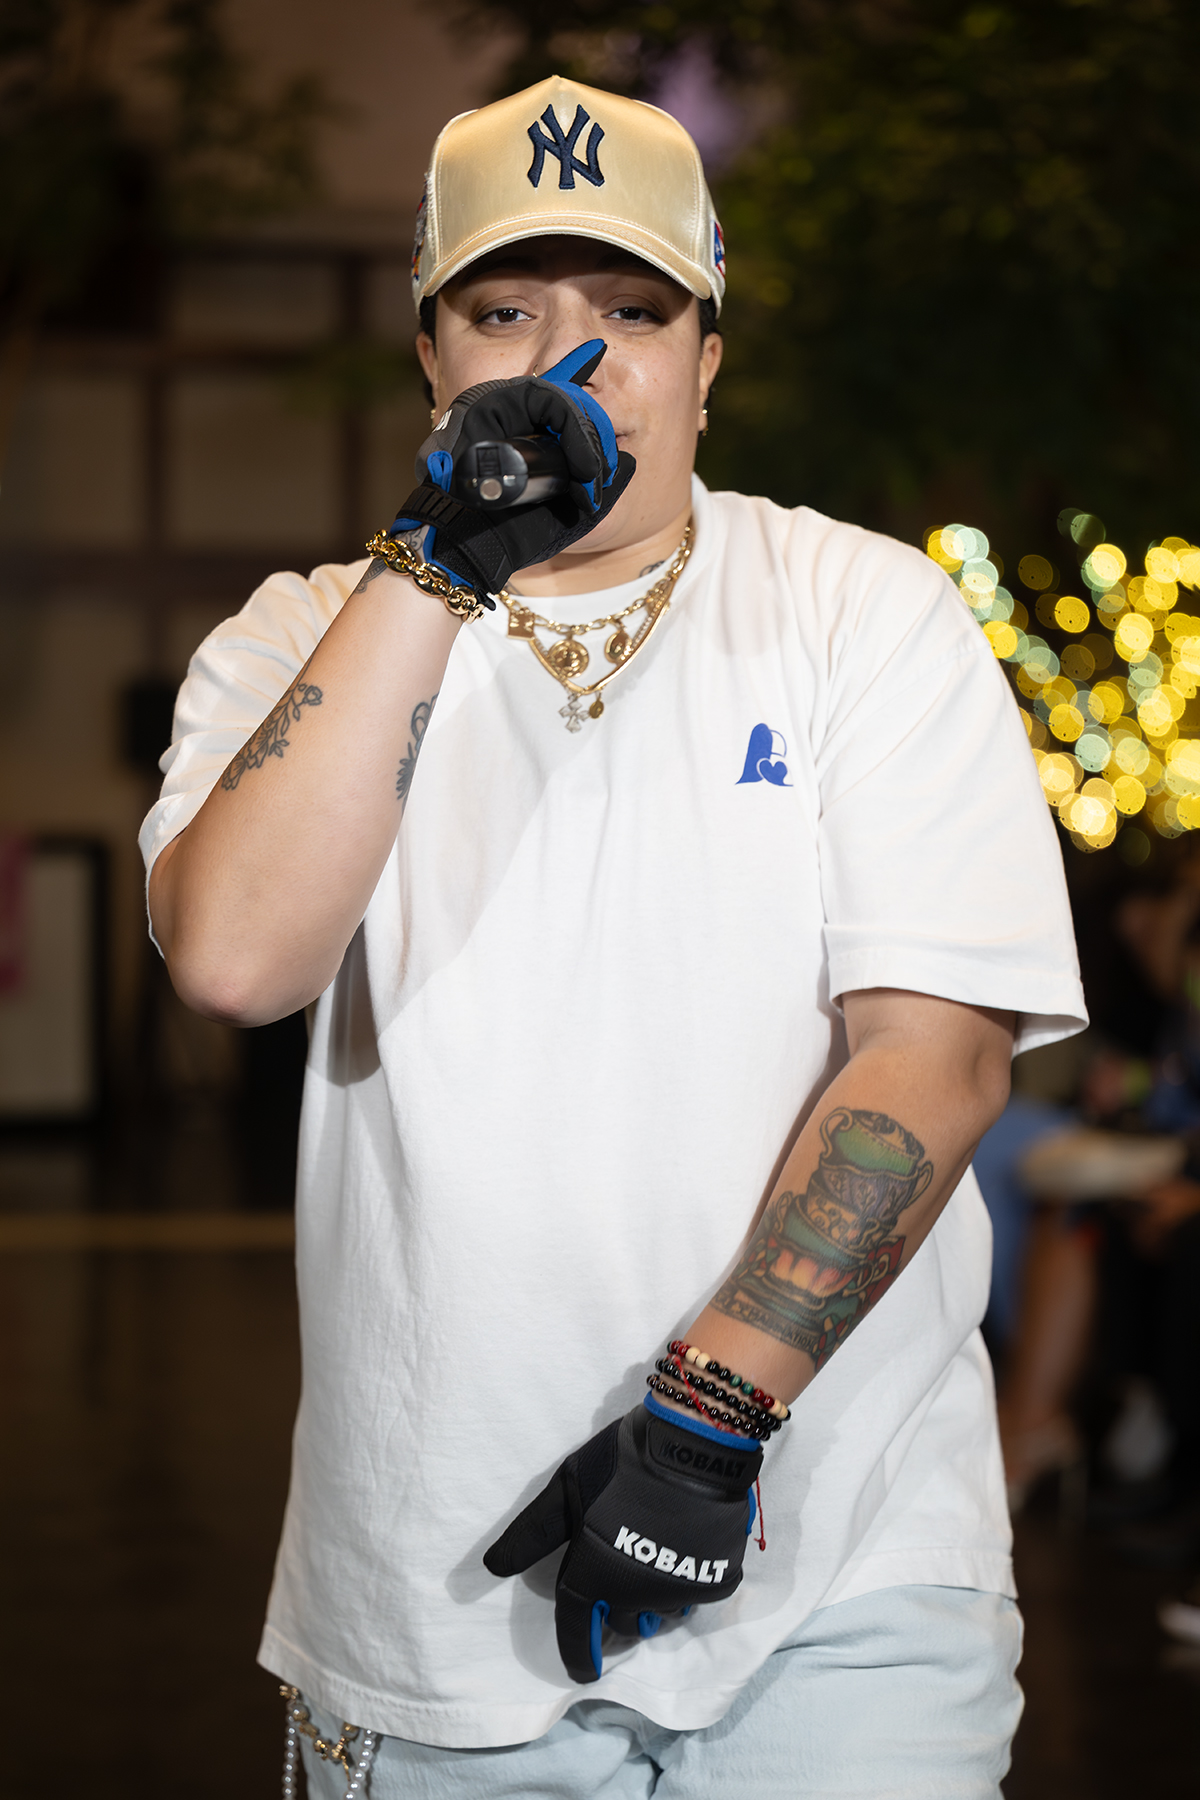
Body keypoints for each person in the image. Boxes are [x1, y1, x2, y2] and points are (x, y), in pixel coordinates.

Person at [141, 76, 1087, 1799]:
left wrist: (711, 1414)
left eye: (635, 314)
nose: (572, 363)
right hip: (428, 1594)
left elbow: (935, 1055)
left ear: (709, 361)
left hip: (843, 1567)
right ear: (431, 355)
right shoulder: (302, 634)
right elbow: (235, 962)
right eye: (505, 312)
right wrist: (439, 564)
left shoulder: (859, 609)